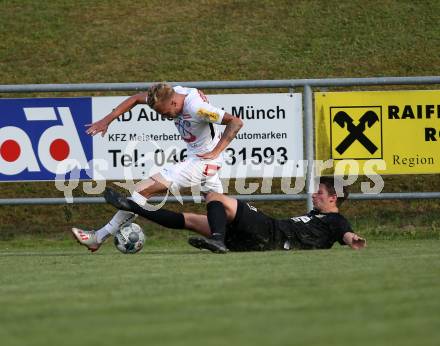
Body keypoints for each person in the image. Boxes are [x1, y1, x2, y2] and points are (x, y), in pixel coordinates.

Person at [72, 82, 243, 252]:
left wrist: (216, 152)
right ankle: (231, 241)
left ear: (174, 102)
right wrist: (107, 120)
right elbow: (136, 99)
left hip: (202, 161)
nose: (165, 116)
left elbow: (235, 122)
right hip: (199, 157)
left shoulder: (196, 108)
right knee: (220, 206)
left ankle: (98, 237)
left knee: (141, 190)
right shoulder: (168, 95)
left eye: (165, 112)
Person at [102, 176, 367, 253]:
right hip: (257, 241)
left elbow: (345, 233)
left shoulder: (335, 219)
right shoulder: (316, 217)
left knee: (216, 198)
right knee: (191, 220)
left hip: (270, 233)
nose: (313, 195)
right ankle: (133, 206)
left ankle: (218, 238)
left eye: (319, 192)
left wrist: (353, 239)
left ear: (333, 198)